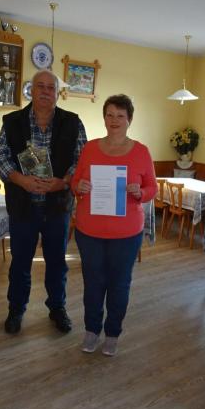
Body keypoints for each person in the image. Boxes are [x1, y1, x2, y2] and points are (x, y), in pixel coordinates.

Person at [0, 70, 87, 334]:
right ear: (31, 91)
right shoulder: (12, 121)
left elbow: (81, 160)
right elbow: (0, 157)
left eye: (50, 88)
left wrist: (63, 182)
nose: (45, 92)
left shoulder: (73, 122)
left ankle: (57, 308)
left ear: (58, 93)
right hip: (23, 206)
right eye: (40, 87)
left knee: (57, 262)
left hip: (57, 206)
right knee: (20, 262)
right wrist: (20, 180)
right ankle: (16, 310)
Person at [71, 94, 157, 356]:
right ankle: (91, 330)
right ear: (104, 118)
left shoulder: (141, 151)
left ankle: (112, 333)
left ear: (129, 119)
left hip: (126, 234)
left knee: (119, 284)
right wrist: (80, 187)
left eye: (120, 115)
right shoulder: (90, 148)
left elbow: (152, 187)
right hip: (89, 231)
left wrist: (139, 193)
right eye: (110, 115)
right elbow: (75, 182)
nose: (114, 120)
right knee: (93, 283)